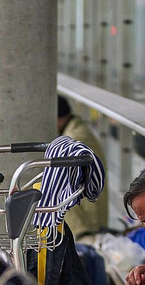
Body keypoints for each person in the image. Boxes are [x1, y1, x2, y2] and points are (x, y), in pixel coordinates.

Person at [57, 96, 108, 238]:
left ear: (58, 118)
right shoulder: (77, 130)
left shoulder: (75, 139)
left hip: (85, 223)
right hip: (86, 217)